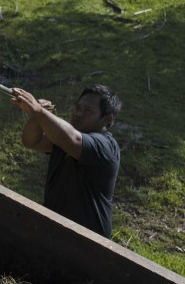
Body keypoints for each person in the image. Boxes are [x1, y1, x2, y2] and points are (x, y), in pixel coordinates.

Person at [10, 84, 122, 238]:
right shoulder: (63, 139)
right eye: (78, 108)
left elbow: (71, 138)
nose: (78, 114)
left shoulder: (105, 146)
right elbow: (31, 141)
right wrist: (38, 117)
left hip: (90, 242)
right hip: (56, 230)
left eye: (88, 111)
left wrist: (39, 111)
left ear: (107, 119)